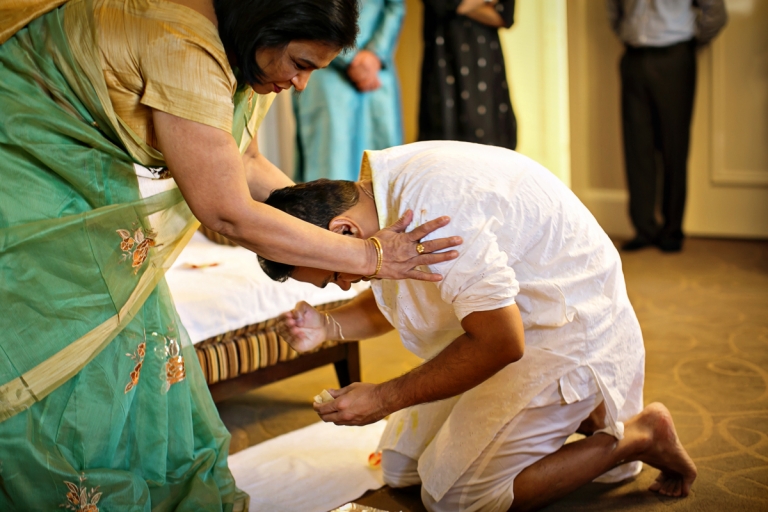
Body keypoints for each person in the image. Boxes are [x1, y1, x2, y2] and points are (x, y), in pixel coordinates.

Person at [0, 0, 462, 509]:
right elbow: (226, 212)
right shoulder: (184, 45)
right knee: (75, 323)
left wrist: (324, 234)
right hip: (22, 153)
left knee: (136, 330)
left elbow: (245, 161)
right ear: (269, 25)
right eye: (301, 64)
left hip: (83, 161)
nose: (301, 84)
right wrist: (368, 256)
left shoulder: (242, 53)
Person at [261, 141, 698, 511]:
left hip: (562, 328)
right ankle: (579, 415)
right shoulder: (380, 197)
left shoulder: (434, 218)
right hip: (506, 319)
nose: (344, 283)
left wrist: (381, 398)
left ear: (344, 230)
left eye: (333, 274)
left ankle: (640, 434)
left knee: (459, 500)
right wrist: (327, 325)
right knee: (400, 467)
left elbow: (501, 343)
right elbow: (401, 296)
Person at [608, 0, 727, 252]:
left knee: (674, 145)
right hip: (633, 57)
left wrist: (690, 43)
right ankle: (643, 227)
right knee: (636, 147)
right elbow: (613, 10)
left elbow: (716, 12)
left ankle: (672, 229)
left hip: (675, 56)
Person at [294, 0, 405, 182]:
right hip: (326, 66)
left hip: (376, 72)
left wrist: (376, 53)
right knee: (330, 164)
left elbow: (395, 6)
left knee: (384, 170)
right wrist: (348, 56)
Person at [419, 0, 517, 149]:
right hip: (443, 55)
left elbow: (505, 16)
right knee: (442, 136)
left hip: (485, 56)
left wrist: (458, 5)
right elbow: (438, 4)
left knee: (489, 137)